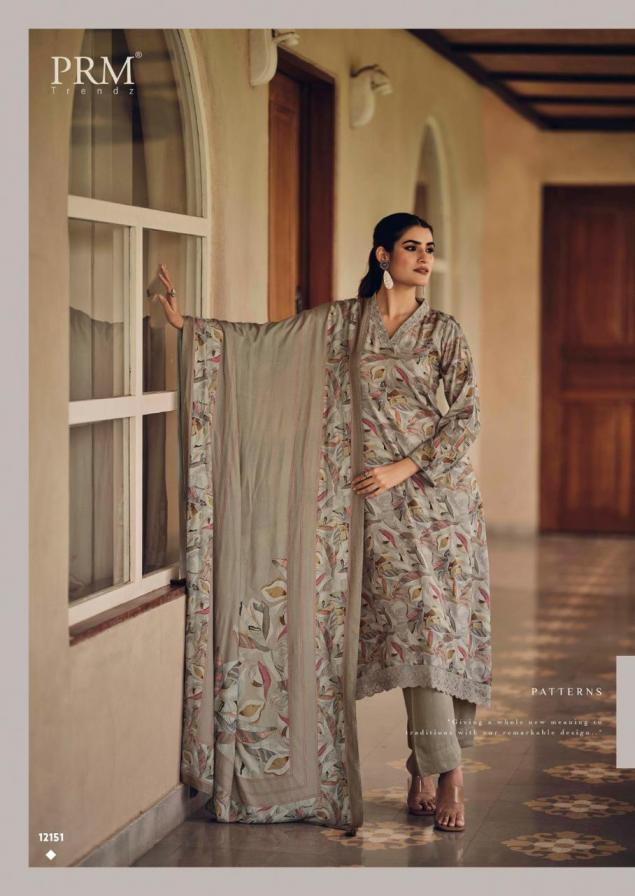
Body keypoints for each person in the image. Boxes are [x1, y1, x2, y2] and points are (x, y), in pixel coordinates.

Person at [153, 212, 491, 833]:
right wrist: (191, 329)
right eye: (411, 247)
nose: (424, 258)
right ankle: (424, 765)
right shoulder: (343, 324)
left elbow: (466, 416)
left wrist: (403, 467)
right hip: (363, 509)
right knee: (398, 637)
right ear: (382, 255)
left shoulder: (443, 331)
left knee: (432, 637)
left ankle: (446, 773)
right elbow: (268, 346)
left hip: (438, 506)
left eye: (430, 249)